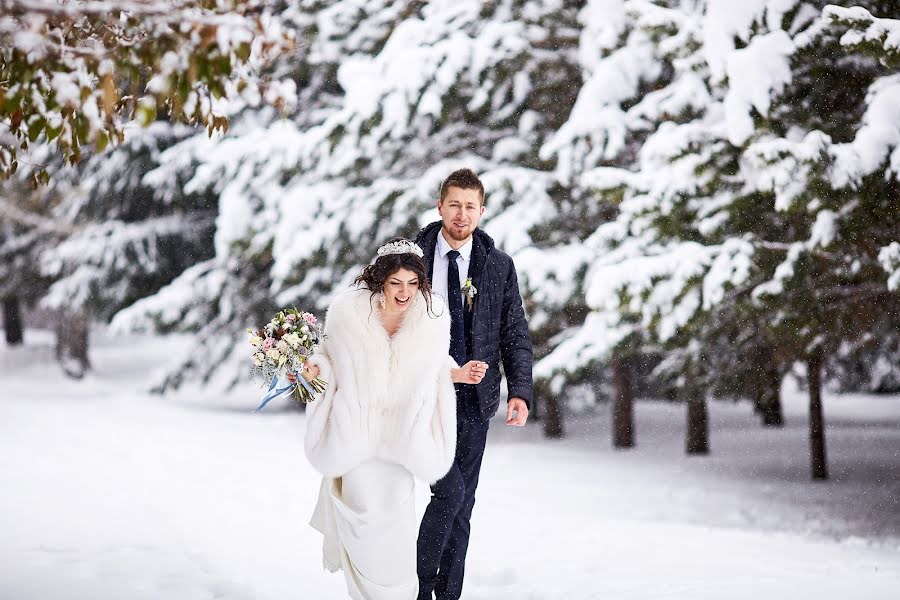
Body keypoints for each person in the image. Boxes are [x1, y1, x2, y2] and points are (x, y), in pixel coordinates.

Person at [299, 239, 489, 600]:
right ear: (381, 281)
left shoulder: (432, 319)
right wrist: (312, 370)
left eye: (413, 284)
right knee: (365, 534)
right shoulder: (347, 314)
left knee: (397, 549)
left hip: (400, 444)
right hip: (355, 439)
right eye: (396, 284)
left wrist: (458, 374)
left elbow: (432, 365)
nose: (405, 293)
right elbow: (328, 358)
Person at [415, 168, 534, 600]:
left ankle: (446, 595)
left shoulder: (498, 266)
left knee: (462, 506)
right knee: (447, 493)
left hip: (474, 401)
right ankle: (419, 586)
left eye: (470, 206)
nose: (462, 214)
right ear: (439, 206)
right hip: (419, 396)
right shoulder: (410, 259)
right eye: (454, 204)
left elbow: (514, 333)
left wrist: (519, 391)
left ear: (482, 211)